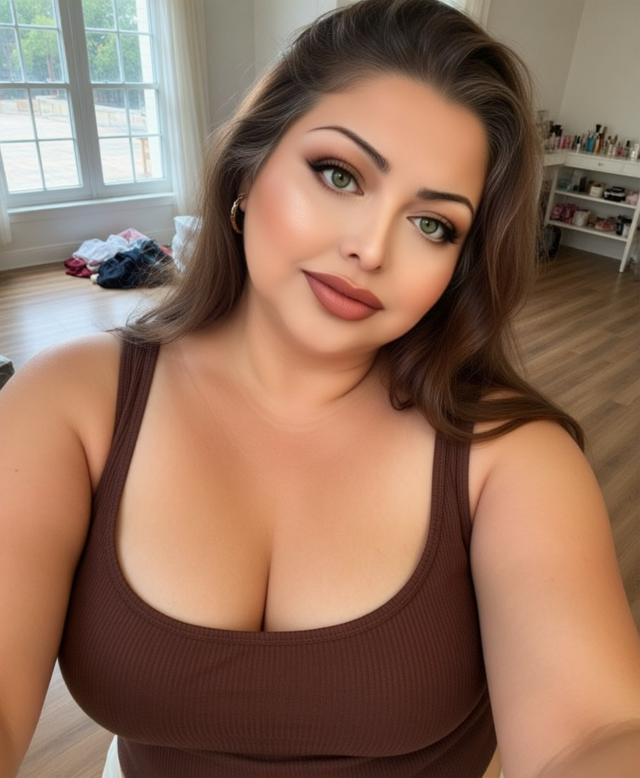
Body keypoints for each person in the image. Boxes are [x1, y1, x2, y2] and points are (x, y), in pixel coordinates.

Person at [1, 0, 639, 776]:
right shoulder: (68, 403)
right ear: (248, 170)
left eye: (432, 224)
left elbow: (590, 733)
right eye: (340, 175)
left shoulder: (513, 458)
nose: (370, 248)